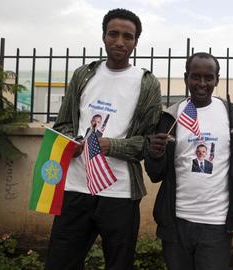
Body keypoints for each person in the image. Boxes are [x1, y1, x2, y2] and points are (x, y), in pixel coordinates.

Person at [46, 8, 162, 270]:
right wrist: (70, 142)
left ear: (135, 41)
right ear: (103, 36)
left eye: (128, 36)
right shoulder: (83, 75)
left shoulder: (146, 83)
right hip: (76, 187)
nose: (120, 41)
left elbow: (147, 142)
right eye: (114, 34)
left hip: (119, 191)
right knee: (59, 262)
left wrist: (113, 145)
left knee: (119, 264)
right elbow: (63, 124)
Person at [144, 52, 233, 270]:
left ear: (217, 80)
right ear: (186, 78)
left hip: (217, 223)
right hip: (176, 222)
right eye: (195, 77)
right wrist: (155, 154)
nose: (201, 83)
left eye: (208, 77)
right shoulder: (171, 117)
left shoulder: (231, 114)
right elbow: (156, 174)